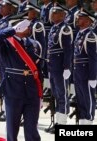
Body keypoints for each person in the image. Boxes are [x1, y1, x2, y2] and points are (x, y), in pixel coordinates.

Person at [0, 19, 42, 141]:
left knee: (32, 128)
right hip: (13, 90)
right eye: (26, 26)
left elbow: (39, 71)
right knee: (12, 127)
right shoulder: (6, 43)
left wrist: (40, 94)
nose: (29, 28)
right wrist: (13, 30)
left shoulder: (35, 44)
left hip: (32, 91)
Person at [46, 3, 73, 133]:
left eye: (55, 13)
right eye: (52, 13)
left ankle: (62, 123)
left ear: (63, 15)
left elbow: (68, 50)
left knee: (62, 95)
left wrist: (67, 67)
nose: (52, 15)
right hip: (53, 68)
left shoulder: (65, 29)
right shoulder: (54, 28)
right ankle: (57, 120)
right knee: (56, 94)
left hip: (61, 68)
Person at [0, 0, 18, 122]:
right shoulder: (2, 21)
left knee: (9, 85)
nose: (0, 8)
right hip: (0, 57)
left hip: (7, 57)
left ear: (11, 9)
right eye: (0, 6)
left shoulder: (13, 21)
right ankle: (4, 109)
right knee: (3, 85)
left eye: (3, 6)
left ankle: (10, 112)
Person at [73, 8, 96, 125]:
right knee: (81, 99)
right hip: (78, 72)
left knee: (88, 99)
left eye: (81, 18)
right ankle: (83, 123)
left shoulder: (90, 35)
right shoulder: (79, 34)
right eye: (78, 17)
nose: (78, 19)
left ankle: (89, 121)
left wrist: (93, 77)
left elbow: (93, 58)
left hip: (86, 73)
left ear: (88, 21)